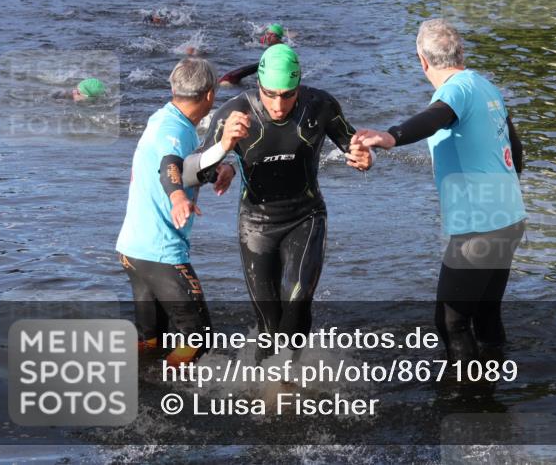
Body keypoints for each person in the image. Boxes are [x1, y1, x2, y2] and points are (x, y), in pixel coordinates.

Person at [177, 44, 372, 361]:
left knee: (297, 301)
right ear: (258, 85)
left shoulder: (320, 105)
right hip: (256, 226)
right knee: (268, 326)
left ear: (299, 86)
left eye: (287, 95)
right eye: (269, 94)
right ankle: (265, 382)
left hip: (306, 217)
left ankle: (291, 376)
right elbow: (189, 173)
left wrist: (365, 158)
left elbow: (355, 147)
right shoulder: (234, 112)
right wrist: (224, 146)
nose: (278, 105)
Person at [353, 19, 526, 364]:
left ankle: (466, 390)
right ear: (461, 52)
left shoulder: (454, 91)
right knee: (486, 312)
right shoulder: (485, 86)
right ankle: (497, 381)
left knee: (451, 321)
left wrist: (391, 136)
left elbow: (435, 116)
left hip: (479, 226)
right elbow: (516, 152)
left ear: (422, 60)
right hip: (509, 218)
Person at [115, 57, 236, 365]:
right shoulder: (176, 132)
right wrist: (179, 196)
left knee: (150, 340)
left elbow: (184, 165)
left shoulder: (163, 117)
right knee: (199, 340)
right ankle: (175, 387)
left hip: (132, 250)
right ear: (210, 95)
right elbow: (169, 164)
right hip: (161, 253)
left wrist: (219, 169)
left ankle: (139, 384)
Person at [217, 24, 284, 86]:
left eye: (272, 35)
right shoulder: (263, 42)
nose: (268, 37)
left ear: (279, 38)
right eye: (267, 34)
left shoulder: (282, 50)